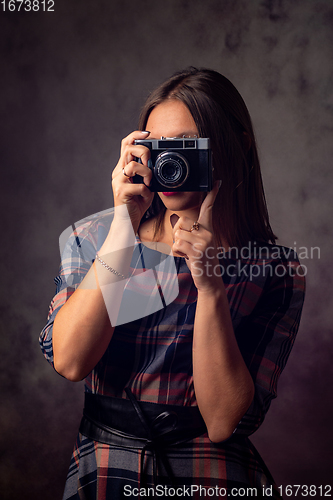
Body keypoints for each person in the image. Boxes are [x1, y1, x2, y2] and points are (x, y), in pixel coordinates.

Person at [40, 67, 305, 499]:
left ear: (236, 145)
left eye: (185, 146)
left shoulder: (274, 271)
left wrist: (212, 288)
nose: (168, 162)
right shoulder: (93, 239)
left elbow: (222, 422)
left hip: (211, 478)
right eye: (155, 147)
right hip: (105, 470)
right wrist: (123, 229)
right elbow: (70, 362)